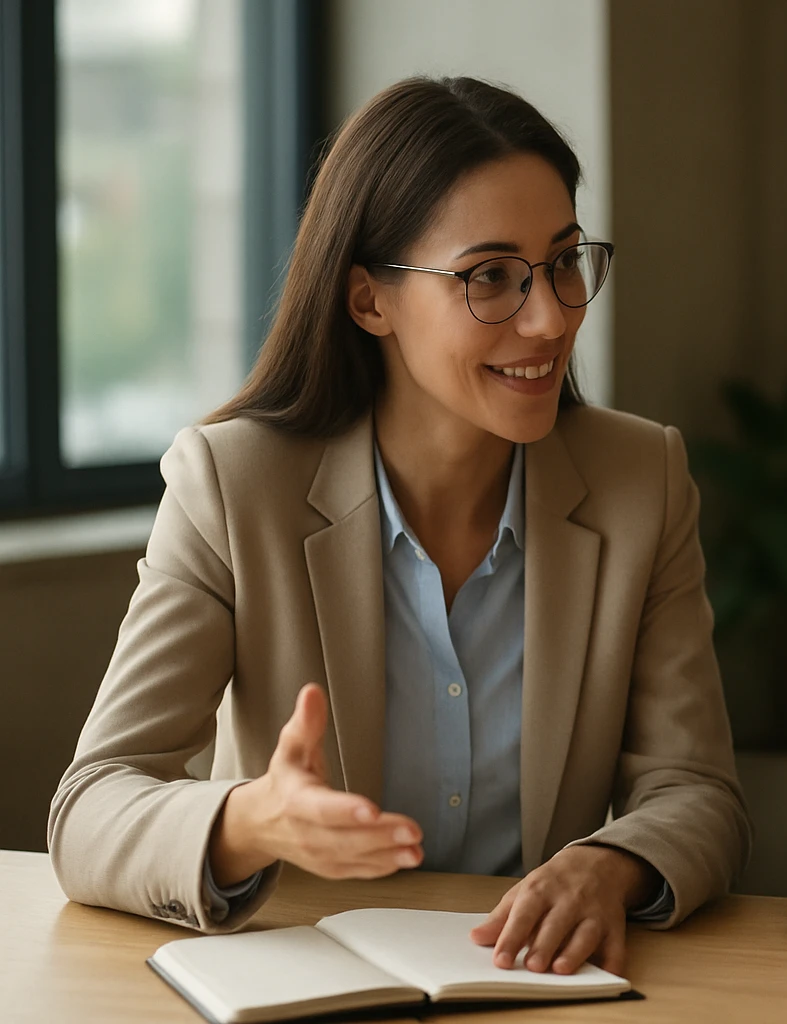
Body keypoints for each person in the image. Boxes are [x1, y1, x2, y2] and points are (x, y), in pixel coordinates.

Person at [49, 76, 748, 978]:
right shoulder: (233, 485)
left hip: (530, 986)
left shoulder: (639, 482)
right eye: (490, 277)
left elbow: (697, 791)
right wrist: (247, 821)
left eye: (564, 262)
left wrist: (610, 864)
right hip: (305, 987)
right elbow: (91, 805)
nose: (549, 318)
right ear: (369, 300)